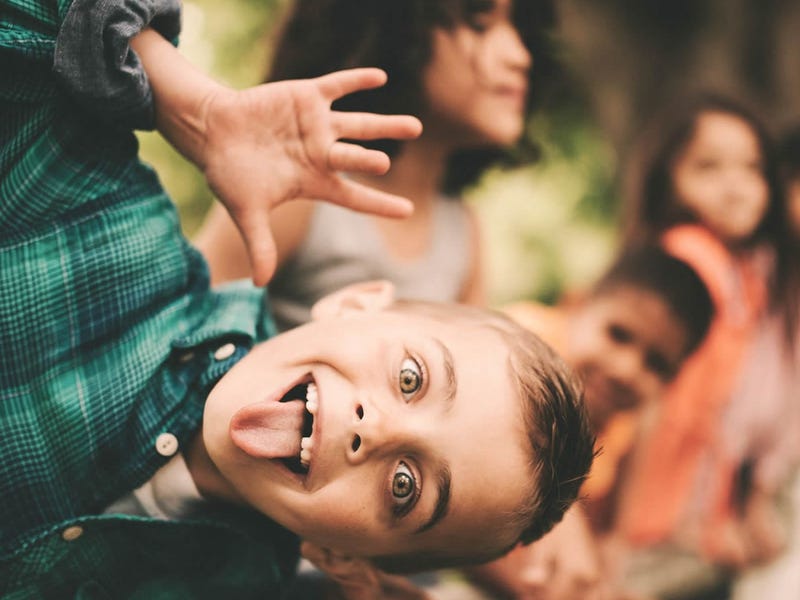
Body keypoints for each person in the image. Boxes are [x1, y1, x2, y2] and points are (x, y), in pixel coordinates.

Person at [0, 2, 595, 598]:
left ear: (344, 558)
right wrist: (201, 114)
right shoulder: (103, 242)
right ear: (354, 302)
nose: (377, 429)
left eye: (405, 487)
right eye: (411, 378)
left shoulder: (238, 583)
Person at [194, 0, 555, 329]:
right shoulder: (299, 192)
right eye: (479, 23)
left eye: (519, 29)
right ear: (394, 27)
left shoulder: (464, 232)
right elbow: (187, 330)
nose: (519, 56)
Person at [615, 93, 800, 599]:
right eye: (708, 167)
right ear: (666, 177)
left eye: (752, 169)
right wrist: (690, 524)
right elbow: (675, 412)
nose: (736, 187)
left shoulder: (746, 274)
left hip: (685, 526)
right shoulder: (694, 261)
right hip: (655, 530)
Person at [467, 243, 713, 600]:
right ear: (576, 304)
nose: (627, 370)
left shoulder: (615, 426)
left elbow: (597, 539)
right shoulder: (521, 349)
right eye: (618, 334)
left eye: (656, 364)